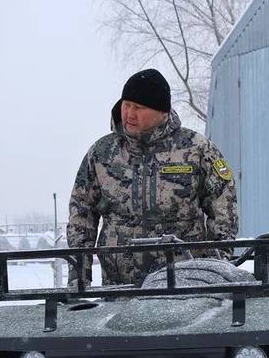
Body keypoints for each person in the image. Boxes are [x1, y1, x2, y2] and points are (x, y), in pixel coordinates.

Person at [66, 68, 238, 286]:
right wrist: (79, 276)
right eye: (126, 105)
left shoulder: (196, 150)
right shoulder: (102, 154)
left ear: (162, 112)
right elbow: (81, 214)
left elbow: (224, 206)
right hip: (120, 289)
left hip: (185, 287)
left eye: (139, 107)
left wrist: (218, 266)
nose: (129, 113)